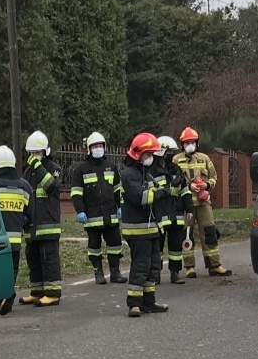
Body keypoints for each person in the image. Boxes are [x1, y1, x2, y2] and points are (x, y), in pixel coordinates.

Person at [120, 132, 169, 317]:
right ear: (138, 154)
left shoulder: (145, 173)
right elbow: (140, 197)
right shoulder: (128, 175)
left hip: (150, 229)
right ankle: (134, 303)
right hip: (137, 229)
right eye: (148, 154)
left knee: (153, 266)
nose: (150, 158)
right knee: (141, 266)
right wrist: (161, 193)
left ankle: (148, 302)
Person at [174, 127, 231, 277]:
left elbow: (214, 176)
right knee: (187, 235)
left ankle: (214, 265)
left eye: (192, 142)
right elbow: (173, 181)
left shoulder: (205, 158)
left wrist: (207, 185)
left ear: (197, 143)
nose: (190, 145)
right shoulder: (176, 160)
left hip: (203, 203)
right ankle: (189, 267)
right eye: (187, 142)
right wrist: (188, 186)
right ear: (182, 144)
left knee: (210, 233)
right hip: (186, 205)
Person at [69, 131, 125, 285]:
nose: (98, 148)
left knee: (115, 244)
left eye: (100, 146)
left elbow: (118, 190)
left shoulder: (111, 167)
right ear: (89, 149)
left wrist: (120, 207)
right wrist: (80, 211)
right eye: (95, 146)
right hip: (92, 216)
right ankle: (98, 273)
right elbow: (76, 193)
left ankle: (115, 272)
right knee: (94, 246)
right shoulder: (81, 170)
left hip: (111, 215)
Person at [0, 145, 31, 315]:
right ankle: (7, 295)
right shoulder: (24, 186)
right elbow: (30, 213)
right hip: (15, 240)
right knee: (12, 269)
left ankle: (5, 295)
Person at [20, 130, 64, 306]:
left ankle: (53, 293)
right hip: (32, 225)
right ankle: (37, 291)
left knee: (49, 259)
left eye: (36, 152)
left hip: (48, 224)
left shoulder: (54, 168)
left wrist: (39, 168)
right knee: (34, 259)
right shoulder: (28, 172)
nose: (33, 156)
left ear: (45, 152)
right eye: (30, 153)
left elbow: (51, 186)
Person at [155, 135, 193, 284]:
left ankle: (175, 272)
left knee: (176, 246)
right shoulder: (152, 171)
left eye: (172, 151)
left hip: (176, 214)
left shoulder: (176, 169)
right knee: (157, 246)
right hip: (160, 214)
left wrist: (189, 210)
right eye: (169, 151)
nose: (171, 154)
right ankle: (155, 274)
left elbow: (185, 191)